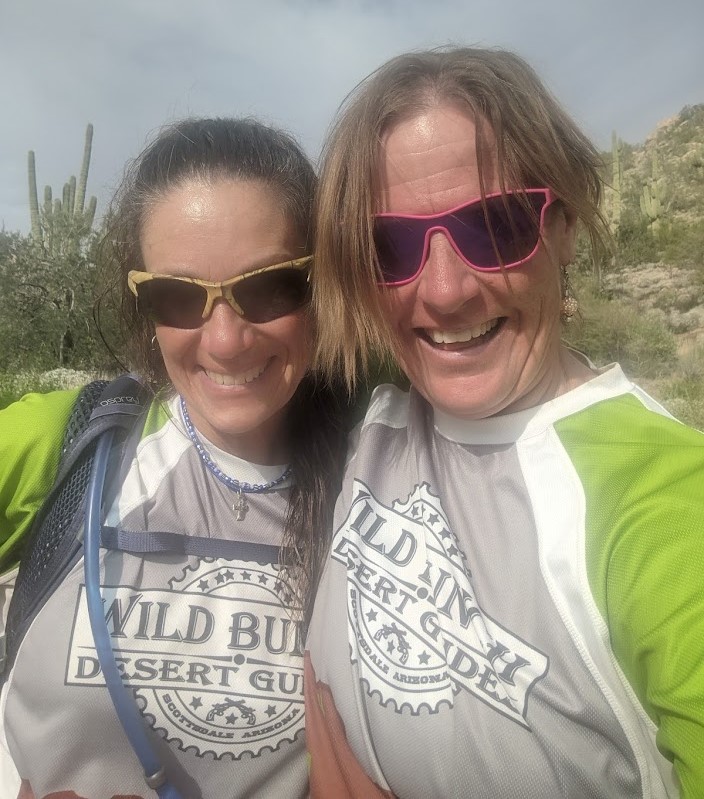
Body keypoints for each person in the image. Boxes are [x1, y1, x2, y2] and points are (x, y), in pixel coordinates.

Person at [304, 47, 704, 798]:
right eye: (389, 246)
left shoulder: (663, 496)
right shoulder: (382, 409)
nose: (445, 290)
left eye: (495, 225)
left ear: (562, 227)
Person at [0, 117, 349, 798]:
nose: (225, 339)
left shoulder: (382, 474)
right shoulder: (77, 441)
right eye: (178, 297)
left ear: (321, 286)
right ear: (143, 307)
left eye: (270, 287)